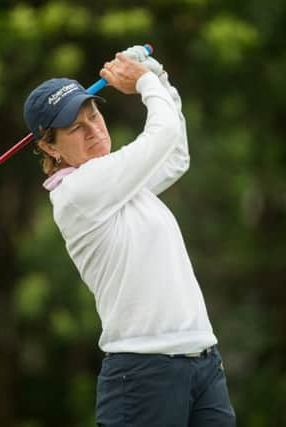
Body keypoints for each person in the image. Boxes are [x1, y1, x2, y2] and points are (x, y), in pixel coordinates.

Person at [23, 46, 236, 427]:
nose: (94, 129)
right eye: (76, 128)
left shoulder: (120, 184)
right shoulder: (77, 193)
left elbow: (175, 156)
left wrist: (159, 77)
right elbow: (163, 132)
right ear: (49, 147)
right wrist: (144, 81)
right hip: (143, 375)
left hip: (203, 361)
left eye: (94, 114)